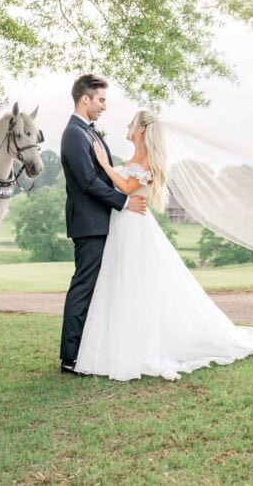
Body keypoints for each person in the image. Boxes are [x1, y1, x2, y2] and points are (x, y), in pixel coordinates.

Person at [73, 109, 253, 381]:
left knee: (136, 284)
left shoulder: (148, 159)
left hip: (134, 227)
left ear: (141, 130)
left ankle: (138, 348)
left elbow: (128, 188)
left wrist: (105, 166)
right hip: (123, 225)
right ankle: (118, 344)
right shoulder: (134, 158)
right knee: (122, 284)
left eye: (131, 123)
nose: (127, 125)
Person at [59, 74, 148, 375]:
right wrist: (123, 202)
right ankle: (70, 357)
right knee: (83, 288)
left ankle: (87, 351)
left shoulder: (89, 132)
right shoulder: (74, 134)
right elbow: (86, 181)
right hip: (89, 223)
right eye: (101, 100)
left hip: (100, 220)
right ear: (85, 98)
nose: (104, 107)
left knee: (96, 289)